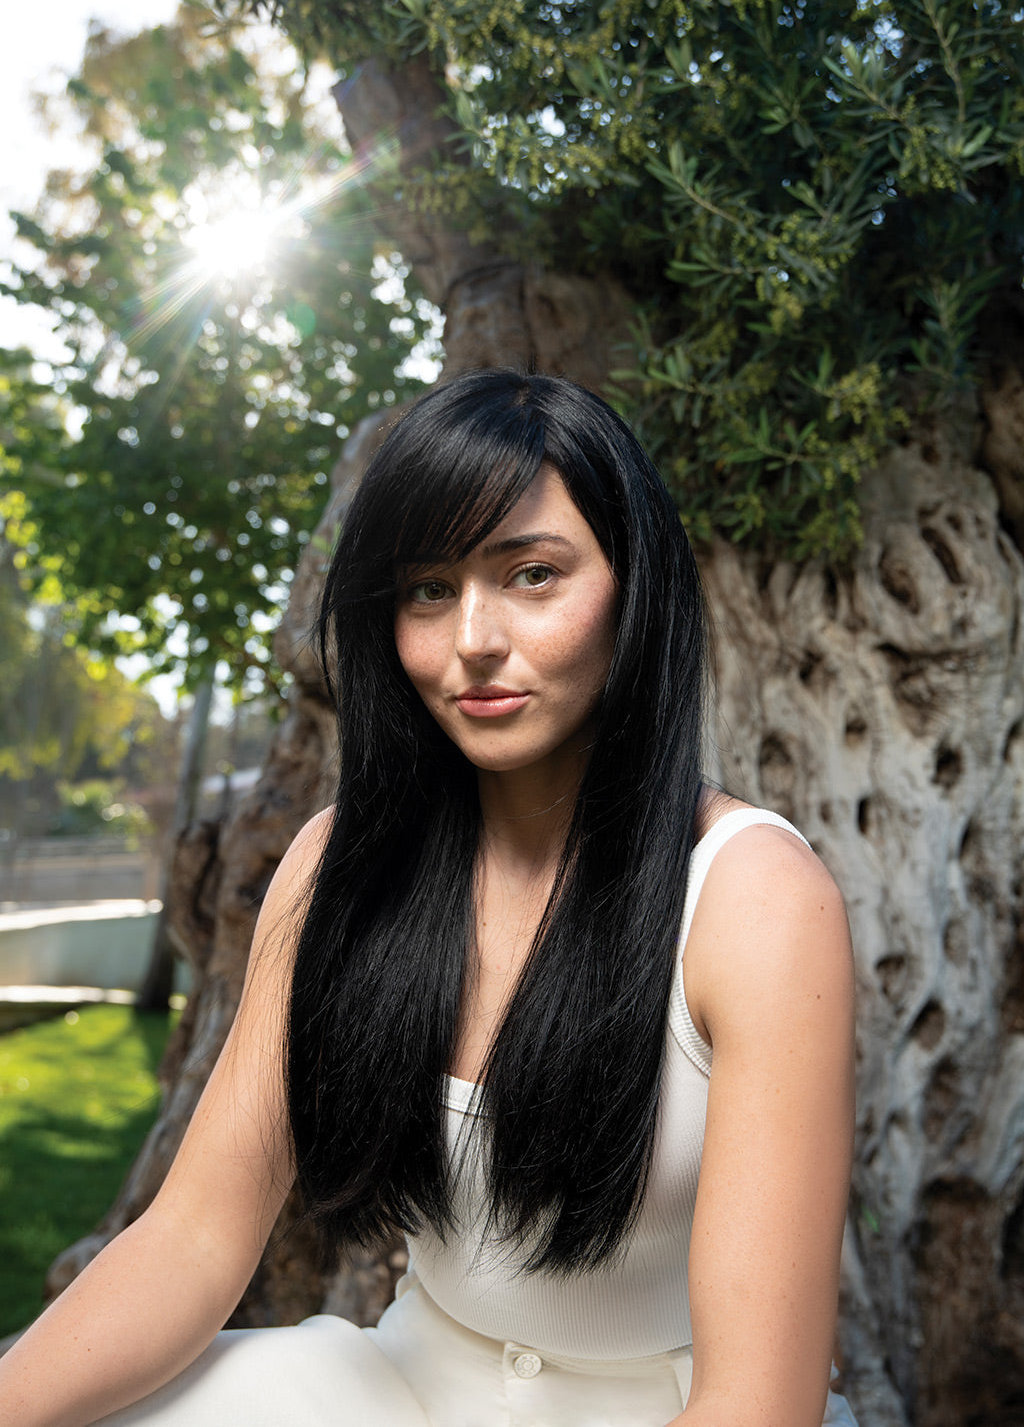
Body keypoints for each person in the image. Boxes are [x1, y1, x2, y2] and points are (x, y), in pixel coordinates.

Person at [0, 371, 858, 1427]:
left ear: (635, 589)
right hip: (397, 1390)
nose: (473, 640)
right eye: (427, 590)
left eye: (532, 574)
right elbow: (194, 1238)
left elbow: (758, 1405)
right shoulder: (337, 866)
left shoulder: (755, 900)